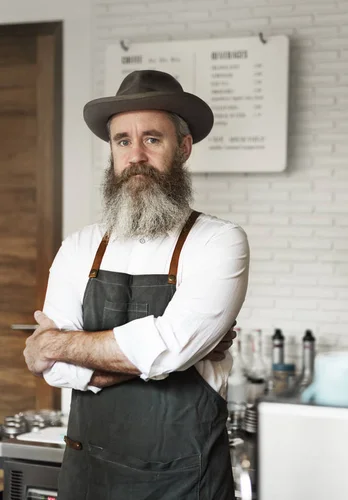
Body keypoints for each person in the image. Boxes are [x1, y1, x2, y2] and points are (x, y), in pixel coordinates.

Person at [22, 69, 249, 500]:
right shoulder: (80, 245)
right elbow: (57, 373)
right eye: (123, 140)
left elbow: (170, 348)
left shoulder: (219, 242)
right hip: (88, 478)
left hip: (183, 482)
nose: (136, 155)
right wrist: (162, 353)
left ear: (182, 148)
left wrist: (55, 344)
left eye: (152, 139)